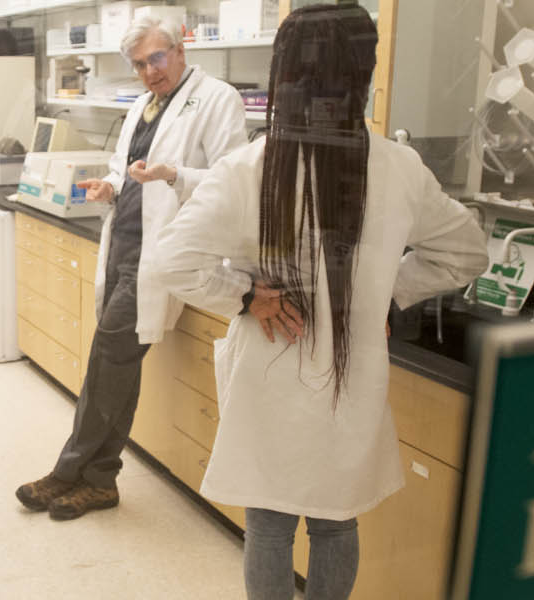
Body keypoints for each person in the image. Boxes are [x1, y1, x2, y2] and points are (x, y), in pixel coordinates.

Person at [150, 5, 489, 599]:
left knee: (269, 525)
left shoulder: (250, 169)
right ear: (364, 74)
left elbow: (172, 259)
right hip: (350, 378)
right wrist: (388, 295)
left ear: (283, 76)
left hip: (271, 368)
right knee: (336, 523)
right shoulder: (398, 167)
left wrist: (248, 295)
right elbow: (466, 254)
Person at [15, 16, 250, 521]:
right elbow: (129, 171)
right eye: (140, 64)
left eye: (156, 58)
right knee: (114, 364)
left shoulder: (217, 99)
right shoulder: (145, 106)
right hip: (125, 245)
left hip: (166, 253)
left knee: (108, 357)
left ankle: (71, 471)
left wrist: (174, 174)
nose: (149, 71)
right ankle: (97, 479)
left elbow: (236, 181)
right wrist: (111, 187)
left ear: (180, 48)